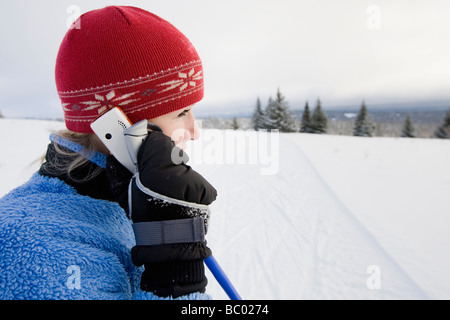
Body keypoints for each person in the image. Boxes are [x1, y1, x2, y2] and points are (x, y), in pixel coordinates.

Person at [0, 6, 217, 300]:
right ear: (118, 124)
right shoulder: (34, 243)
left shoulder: (134, 199)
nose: (194, 131)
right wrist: (175, 277)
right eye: (182, 112)